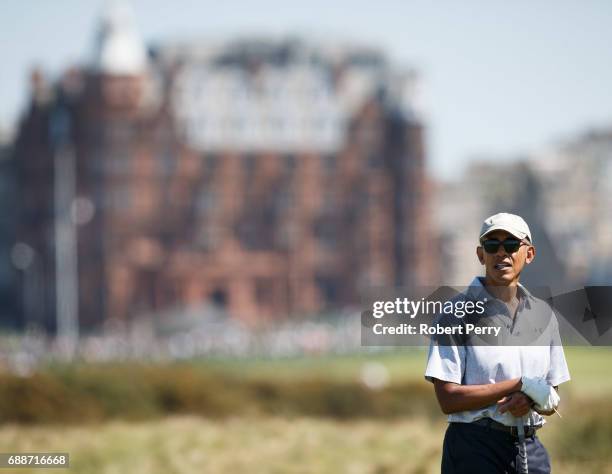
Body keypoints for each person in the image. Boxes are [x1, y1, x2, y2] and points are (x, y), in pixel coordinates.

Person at [424, 212, 571, 474]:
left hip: (529, 447)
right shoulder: (455, 314)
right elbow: (448, 398)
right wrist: (518, 385)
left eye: (511, 245)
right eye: (492, 245)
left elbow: (552, 393)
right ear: (481, 255)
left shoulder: (545, 316)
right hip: (474, 447)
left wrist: (529, 400)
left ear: (529, 254)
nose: (501, 252)